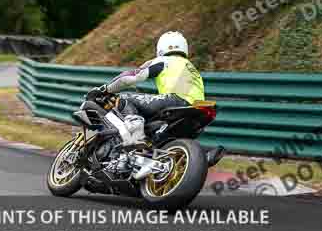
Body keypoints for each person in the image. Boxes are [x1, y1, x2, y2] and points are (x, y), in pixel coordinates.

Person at [89, 31, 224, 165]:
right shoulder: (192, 68)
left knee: (123, 98)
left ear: (161, 47)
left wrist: (105, 89)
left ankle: (136, 136)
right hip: (196, 108)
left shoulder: (164, 61)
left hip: (174, 101)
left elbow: (132, 77)